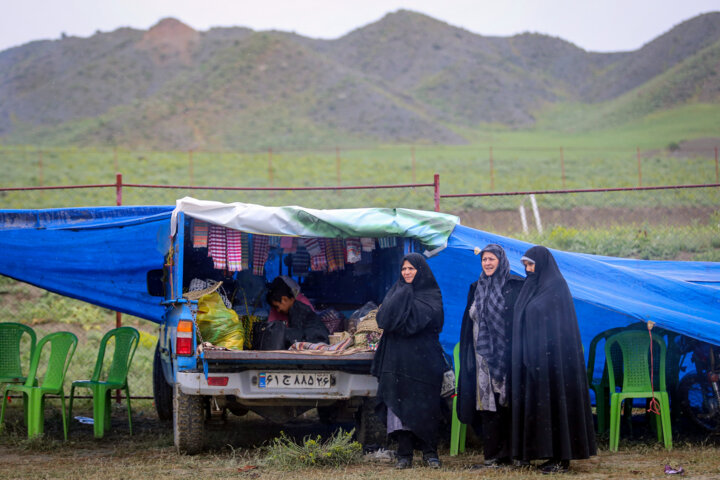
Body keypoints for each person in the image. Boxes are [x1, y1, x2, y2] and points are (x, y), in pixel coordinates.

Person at [511, 246, 596, 474]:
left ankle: (561, 458)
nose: (528, 270)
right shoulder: (532, 285)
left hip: (556, 361)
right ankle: (537, 452)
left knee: (557, 406)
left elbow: (553, 323)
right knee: (538, 406)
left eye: (531, 264)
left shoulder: (556, 287)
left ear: (542, 263)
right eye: (525, 265)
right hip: (534, 359)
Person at [370, 252, 447, 469]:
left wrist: (401, 309)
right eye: (404, 269)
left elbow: (422, 321)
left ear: (420, 270)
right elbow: (383, 319)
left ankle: (430, 452)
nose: (407, 272)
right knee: (398, 404)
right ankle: (404, 453)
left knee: (426, 406)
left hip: (424, 359)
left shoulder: (431, 294)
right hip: (397, 360)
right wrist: (403, 293)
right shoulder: (397, 291)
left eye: (411, 268)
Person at [456, 244, 524, 468]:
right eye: (484, 259)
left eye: (491, 259)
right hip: (482, 357)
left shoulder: (514, 286)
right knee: (488, 405)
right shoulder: (476, 287)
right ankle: (492, 455)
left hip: (507, 355)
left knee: (509, 403)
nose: (487, 263)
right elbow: (469, 323)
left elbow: (518, 321)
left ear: (501, 260)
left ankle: (512, 454)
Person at [265, 277, 329, 347]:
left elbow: (295, 337)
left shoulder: (299, 311)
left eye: (277, 306)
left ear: (284, 299)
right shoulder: (296, 308)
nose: (278, 310)